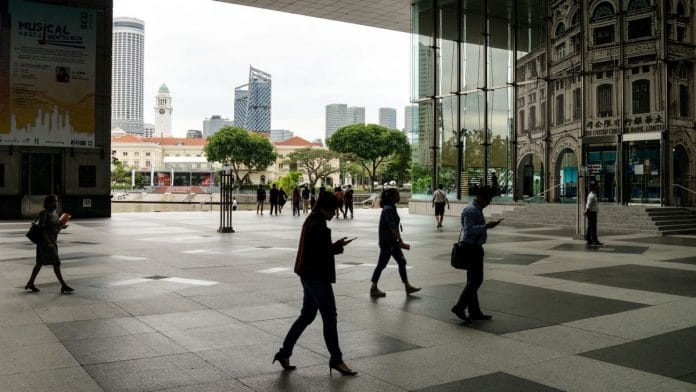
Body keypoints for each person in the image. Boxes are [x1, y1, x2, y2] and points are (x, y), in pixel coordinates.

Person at [274, 192, 358, 376]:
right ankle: (336, 358)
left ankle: (285, 352)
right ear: (324, 207)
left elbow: (316, 250)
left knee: (308, 315)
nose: (335, 214)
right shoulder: (318, 225)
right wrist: (336, 247)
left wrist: (334, 245)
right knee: (329, 316)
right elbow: (321, 253)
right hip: (317, 277)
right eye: (333, 209)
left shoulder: (312, 220)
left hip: (307, 274)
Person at [451, 185, 502, 322]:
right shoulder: (471, 210)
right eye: (488, 199)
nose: (489, 202)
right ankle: (460, 306)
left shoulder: (476, 209)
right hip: (470, 248)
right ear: (481, 197)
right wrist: (486, 226)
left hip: (474, 247)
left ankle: (474, 311)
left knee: (472, 281)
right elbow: (468, 230)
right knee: (476, 280)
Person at [369, 188, 420, 297]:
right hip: (388, 242)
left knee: (402, 262)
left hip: (392, 242)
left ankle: (407, 286)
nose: (399, 196)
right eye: (397, 194)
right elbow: (392, 226)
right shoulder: (388, 209)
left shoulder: (391, 208)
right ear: (391, 197)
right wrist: (400, 240)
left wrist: (398, 240)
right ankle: (373, 287)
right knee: (381, 265)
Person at [25, 195, 74, 294]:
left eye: (56, 201)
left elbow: (55, 228)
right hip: (45, 243)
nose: (56, 203)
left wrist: (61, 226)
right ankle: (63, 285)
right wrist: (48, 243)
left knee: (39, 263)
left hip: (52, 241)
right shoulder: (44, 213)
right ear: (48, 203)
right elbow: (43, 229)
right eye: (54, 201)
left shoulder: (55, 213)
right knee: (56, 263)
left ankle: (30, 283)